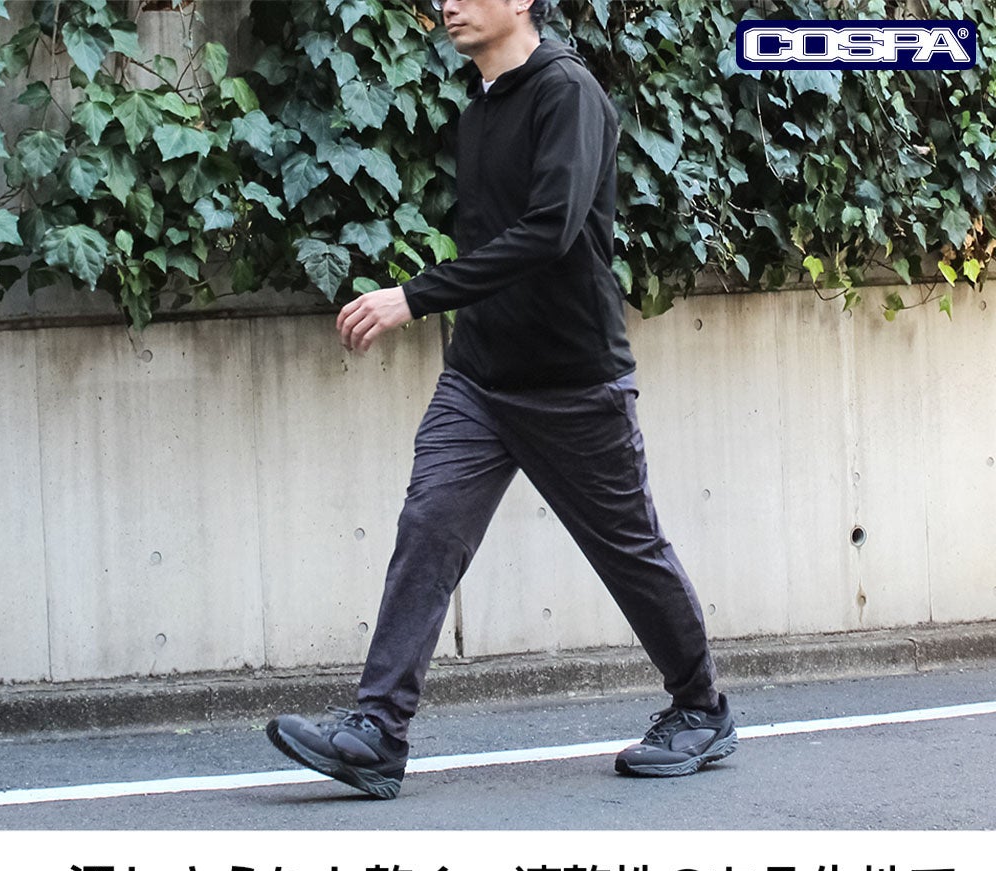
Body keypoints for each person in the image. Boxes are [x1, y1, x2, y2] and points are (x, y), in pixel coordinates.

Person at [266, 0, 737, 799]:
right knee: (429, 526)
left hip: (572, 382)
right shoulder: (479, 107)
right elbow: (493, 245)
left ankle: (701, 708)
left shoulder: (568, 93)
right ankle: (377, 732)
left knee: (628, 550)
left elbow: (551, 229)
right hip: (480, 380)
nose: (448, 4)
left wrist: (414, 296)